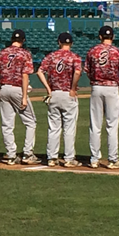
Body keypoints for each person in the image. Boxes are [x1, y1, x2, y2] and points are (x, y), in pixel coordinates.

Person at [84, 25, 119, 169]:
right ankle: (113, 159)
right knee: (112, 125)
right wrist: (118, 84)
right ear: (113, 37)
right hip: (112, 87)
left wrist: (95, 81)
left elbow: (88, 71)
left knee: (95, 125)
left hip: (97, 87)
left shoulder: (93, 51)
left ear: (100, 37)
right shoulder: (118, 52)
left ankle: (94, 159)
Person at [0, 29, 41, 165]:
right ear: (23, 40)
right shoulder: (25, 54)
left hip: (4, 88)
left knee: (7, 124)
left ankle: (11, 154)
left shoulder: (2, 53)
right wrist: (25, 96)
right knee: (31, 122)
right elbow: (25, 75)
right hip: (17, 89)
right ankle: (27, 153)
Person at [37, 32, 82, 167]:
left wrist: (48, 89)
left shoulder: (51, 56)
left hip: (54, 93)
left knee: (53, 128)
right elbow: (78, 72)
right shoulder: (74, 57)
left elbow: (39, 71)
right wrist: (73, 88)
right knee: (69, 128)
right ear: (71, 43)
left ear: (59, 42)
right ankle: (69, 158)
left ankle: (52, 157)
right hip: (68, 94)